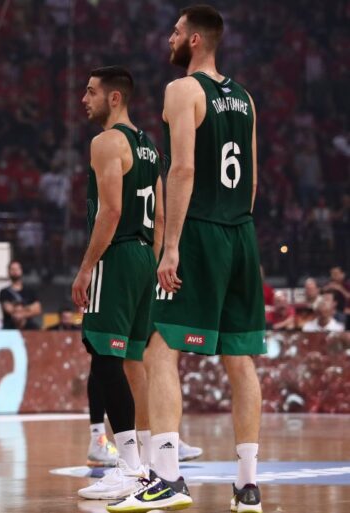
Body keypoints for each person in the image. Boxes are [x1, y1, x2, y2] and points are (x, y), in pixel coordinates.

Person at [112, 7, 265, 512]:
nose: (169, 38)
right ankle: (247, 487)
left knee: (159, 349)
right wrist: (238, 233)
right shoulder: (245, 98)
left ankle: (168, 477)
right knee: (239, 358)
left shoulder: (182, 90)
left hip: (199, 231)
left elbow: (181, 170)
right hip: (241, 231)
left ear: (195, 40)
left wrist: (172, 245)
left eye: (176, 32)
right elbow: (252, 179)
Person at [69, 66, 162, 499]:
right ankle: (148, 463)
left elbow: (110, 210)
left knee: (105, 358)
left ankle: (128, 467)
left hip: (117, 253)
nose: (83, 99)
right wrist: (155, 262)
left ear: (114, 98)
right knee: (132, 362)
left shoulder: (106, 142)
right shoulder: (149, 147)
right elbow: (160, 216)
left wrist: (87, 266)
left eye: (91, 92)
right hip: (144, 255)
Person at [0, 260, 42, 329]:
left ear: (21, 271)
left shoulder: (30, 291)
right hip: (10, 327)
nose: (15, 271)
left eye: (17, 269)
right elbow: (8, 309)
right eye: (12, 269)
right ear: (8, 272)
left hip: (29, 327)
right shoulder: (4, 292)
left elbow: (37, 309)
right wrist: (29, 308)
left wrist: (20, 313)